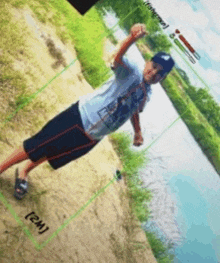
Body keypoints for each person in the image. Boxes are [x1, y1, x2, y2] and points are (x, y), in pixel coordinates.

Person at [0, 23, 175, 199]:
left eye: (159, 73)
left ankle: (24, 172)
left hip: (93, 137)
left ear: (163, 78)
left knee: (53, 152)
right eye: (153, 66)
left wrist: (137, 132)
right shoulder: (132, 72)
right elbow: (118, 58)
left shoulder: (148, 94)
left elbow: (133, 110)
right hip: (80, 117)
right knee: (38, 144)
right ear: (148, 62)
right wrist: (132, 38)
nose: (153, 73)